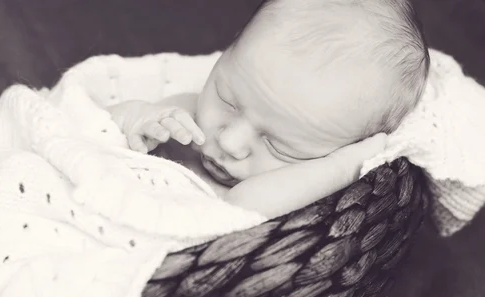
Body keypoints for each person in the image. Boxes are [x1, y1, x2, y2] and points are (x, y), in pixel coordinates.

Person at [108, 0, 429, 219]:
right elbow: (97, 131)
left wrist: (342, 168)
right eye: (227, 99)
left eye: (278, 145)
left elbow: (241, 209)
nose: (230, 142)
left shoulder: (291, 193)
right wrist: (137, 118)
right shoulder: (182, 116)